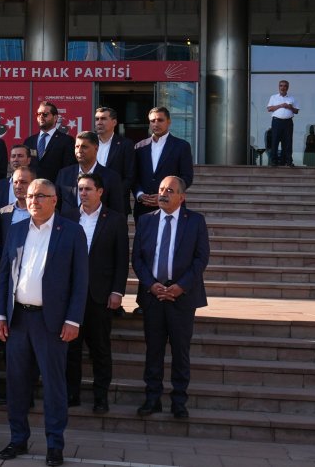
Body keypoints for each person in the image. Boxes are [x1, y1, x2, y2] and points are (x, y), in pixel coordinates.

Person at [0, 179, 87, 467]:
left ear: (55, 200)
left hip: (53, 322)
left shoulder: (72, 232)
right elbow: (5, 275)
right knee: (17, 384)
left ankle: (54, 445)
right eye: (30, 195)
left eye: (40, 196)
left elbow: (80, 281)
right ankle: (18, 439)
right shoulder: (17, 229)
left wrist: (73, 320)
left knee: (54, 386)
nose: (33, 200)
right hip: (18, 319)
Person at [132, 176, 209, 420]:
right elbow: (138, 259)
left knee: (180, 350)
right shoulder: (145, 221)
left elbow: (201, 258)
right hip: (153, 296)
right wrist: (151, 285)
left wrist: (180, 286)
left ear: (181, 197)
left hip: (181, 297)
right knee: (153, 350)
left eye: (170, 190)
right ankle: (152, 398)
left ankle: (178, 401)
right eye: (161, 189)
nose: (163, 194)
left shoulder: (195, 221)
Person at [59, 173, 128, 414]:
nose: (83, 193)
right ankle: (71, 393)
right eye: (80, 189)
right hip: (71, 296)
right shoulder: (67, 217)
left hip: (100, 295)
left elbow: (122, 259)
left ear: (100, 192)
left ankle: (101, 397)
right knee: (72, 348)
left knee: (100, 349)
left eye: (88, 189)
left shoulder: (115, 220)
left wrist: (118, 291)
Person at [132, 107, 194, 222]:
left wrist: (164, 195)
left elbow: (187, 177)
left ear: (169, 121)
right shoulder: (139, 147)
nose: (156, 124)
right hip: (143, 208)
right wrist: (140, 195)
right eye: (152, 121)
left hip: (172, 207)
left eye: (160, 120)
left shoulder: (181, 146)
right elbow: (134, 176)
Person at [55, 131, 124, 215]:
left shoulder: (111, 177)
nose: (79, 150)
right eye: (77, 147)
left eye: (84, 147)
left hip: (98, 226)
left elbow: (117, 212)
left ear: (96, 148)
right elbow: (56, 206)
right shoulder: (64, 174)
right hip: (67, 226)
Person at [94, 107, 134, 214]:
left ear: (114, 122)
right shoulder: (89, 144)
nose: (99, 122)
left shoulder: (126, 145)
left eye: (103, 119)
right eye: (97, 119)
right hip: (90, 203)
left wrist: (113, 193)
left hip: (116, 204)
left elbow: (129, 176)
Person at [26, 102, 76, 183]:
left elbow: (68, 169)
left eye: (45, 114)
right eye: (38, 114)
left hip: (54, 189)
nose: (41, 117)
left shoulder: (66, 141)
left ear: (55, 117)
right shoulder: (29, 141)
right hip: (32, 189)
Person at [266, 80, 300, 167]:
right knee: (275, 141)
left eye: (285, 86)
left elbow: (296, 111)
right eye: (281, 86)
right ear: (279, 87)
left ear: (287, 87)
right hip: (277, 121)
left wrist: (290, 107)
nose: (283, 87)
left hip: (288, 122)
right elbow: (269, 109)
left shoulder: (292, 98)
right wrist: (280, 106)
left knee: (288, 142)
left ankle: (288, 161)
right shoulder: (273, 97)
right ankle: (274, 161)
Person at [0, 145, 31, 209]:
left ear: (29, 160)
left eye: (20, 156)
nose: (15, 159)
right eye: (13, 156)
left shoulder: (36, 184)